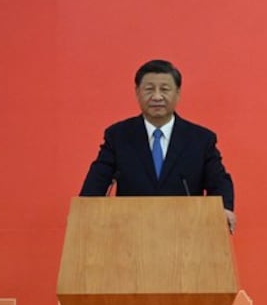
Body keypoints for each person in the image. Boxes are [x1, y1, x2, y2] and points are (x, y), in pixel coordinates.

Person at [79, 59, 236, 232]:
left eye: (164, 89)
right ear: (137, 92)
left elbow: (218, 180)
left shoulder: (200, 139)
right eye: (149, 89)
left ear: (178, 93)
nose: (157, 96)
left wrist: (224, 208)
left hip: (186, 235)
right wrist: (84, 212)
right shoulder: (119, 136)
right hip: (129, 234)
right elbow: (98, 180)